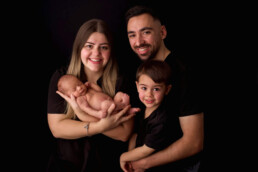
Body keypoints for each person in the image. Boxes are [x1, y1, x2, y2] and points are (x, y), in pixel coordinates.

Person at [47, 18, 140, 172]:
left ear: (111, 51)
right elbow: (57, 128)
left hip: (106, 165)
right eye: (89, 46)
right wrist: (101, 126)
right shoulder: (63, 79)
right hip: (66, 166)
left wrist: (83, 116)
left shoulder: (121, 80)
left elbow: (124, 133)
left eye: (103, 47)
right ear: (78, 48)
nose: (96, 53)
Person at [124, 5, 204, 171]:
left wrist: (142, 164)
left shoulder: (183, 73)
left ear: (162, 33)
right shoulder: (141, 72)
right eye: (132, 35)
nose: (138, 42)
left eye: (146, 32)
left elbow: (194, 142)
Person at [120, 60, 183, 172]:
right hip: (138, 163)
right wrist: (130, 158)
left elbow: (146, 150)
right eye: (144, 88)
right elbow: (135, 135)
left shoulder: (162, 119)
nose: (149, 94)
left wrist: (123, 157)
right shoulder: (143, 108)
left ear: (167, 90)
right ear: (137, 86)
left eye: (156, 89)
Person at [57, 74, 131, 119]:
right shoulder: (80, 99)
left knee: (120, 94)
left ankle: (126, 111)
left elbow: (100, 91)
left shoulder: (88, 89)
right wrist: (97, 114)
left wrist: (92, 85)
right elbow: (87, 109)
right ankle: (124, 106)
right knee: (105, 104)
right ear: (69, 96)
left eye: (79, 84)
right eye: (74, 89)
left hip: (111, 101)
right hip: (106, 110)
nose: (79, 88)